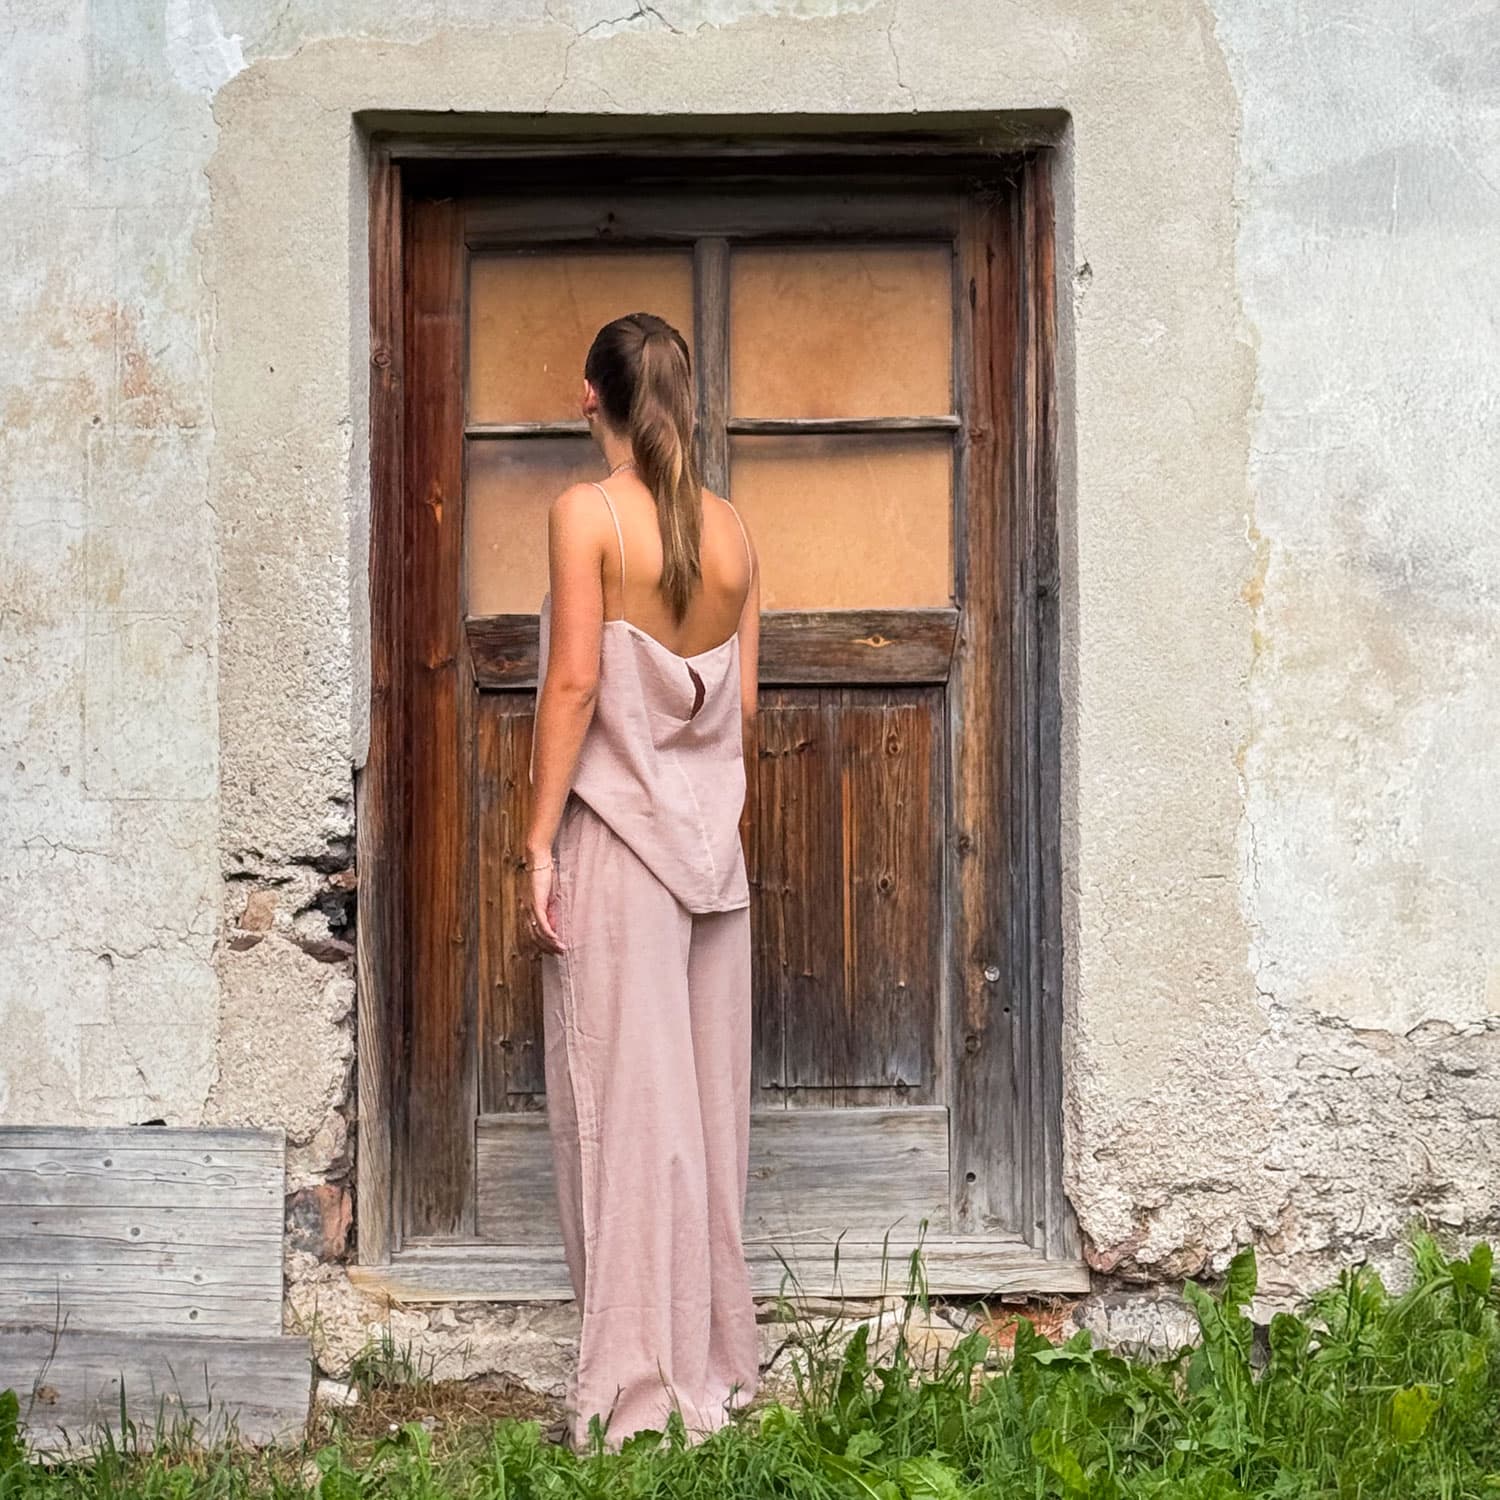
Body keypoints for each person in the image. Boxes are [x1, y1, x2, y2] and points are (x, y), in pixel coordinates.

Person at [521, 311, 762, 1450]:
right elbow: (741, 707)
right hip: (714, 859)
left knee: (627, 1119)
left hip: (620, 850)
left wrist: (537, 842)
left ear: (591, 396)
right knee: (706, 1121)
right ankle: (714, 1365)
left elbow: (574, 686)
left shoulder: (587, 515)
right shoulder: (734, 533)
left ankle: (633, 1392)